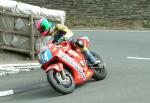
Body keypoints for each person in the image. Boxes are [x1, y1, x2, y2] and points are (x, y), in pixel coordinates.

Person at [36, 17, 100, 66]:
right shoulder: (48, 38)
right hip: (60, 48)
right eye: (40, 30)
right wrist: (41, 51)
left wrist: (64, 38)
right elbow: (47, 46)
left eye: (42, 29)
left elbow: (69, 32)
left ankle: (92, 60)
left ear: (46, 26)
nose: (41, 31)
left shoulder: (58, 27)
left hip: (68, 42)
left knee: (78, 43)